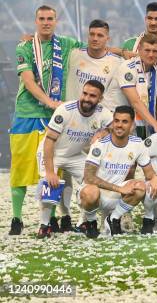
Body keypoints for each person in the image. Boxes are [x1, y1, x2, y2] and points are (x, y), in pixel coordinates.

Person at [9, 5, 84, 235]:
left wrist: (124, 52)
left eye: (50, 18)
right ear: (35, 21)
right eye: (41, 18)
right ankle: (16, 218)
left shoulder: (67, 44)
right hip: (27, 114)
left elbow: (95, 49)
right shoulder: (25, 46)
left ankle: (50, 218)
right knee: (20, 168)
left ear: (56, 21)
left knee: (53, 169)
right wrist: (49, 101)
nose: (46, 22)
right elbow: (29, 80)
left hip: (54, 117)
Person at [34, 80, 113, 238]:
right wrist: (50, 172)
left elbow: (114, 127)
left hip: (75, 155)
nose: (86, 98)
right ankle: (44, 226)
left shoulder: (103, 113)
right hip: (52, 152)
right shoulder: (65, 110)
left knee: (92, 183)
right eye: (85, 93)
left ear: (100, 99)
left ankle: (86, 222)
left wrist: (102, 133)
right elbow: (49, 141)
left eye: (92, 96)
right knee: (49, 184)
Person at [79, 106, 157, 238]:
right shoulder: (100, 144)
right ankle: (90, 222)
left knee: (140, 187)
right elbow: (89, 178)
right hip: (95, 193)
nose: (119, 125)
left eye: (124, 122)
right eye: (116, 121)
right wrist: (118, 189)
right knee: (90, 192)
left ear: (132, 125)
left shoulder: (138, 144)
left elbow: (149, 174)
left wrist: (156, 178)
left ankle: (113, 219)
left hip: (117, 194)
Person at [104, 33, 157, 138]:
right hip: (111, 120)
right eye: (147, 50)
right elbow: (135, 102)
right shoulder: (128, 67)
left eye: (155, 51)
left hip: (131, 120)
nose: (151, 55)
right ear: (139, 49)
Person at [65, 19, 122, 108]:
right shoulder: (73, 54)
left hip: (97, 118)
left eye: (100, 35)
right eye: (92, 34)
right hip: (71, 115)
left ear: (107, 39)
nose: (95, 38)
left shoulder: (117, 63)